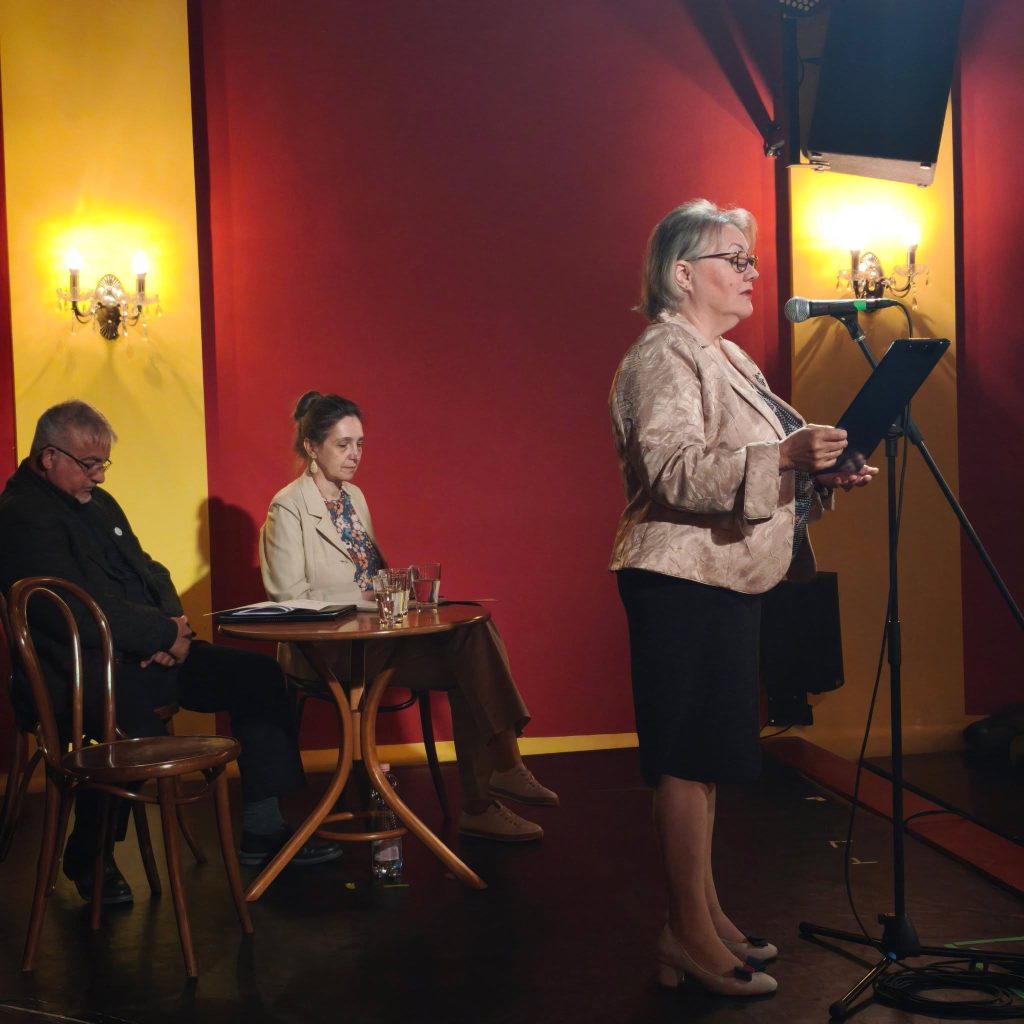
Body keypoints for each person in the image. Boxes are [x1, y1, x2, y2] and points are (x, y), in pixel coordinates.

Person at [609, 200, 876, 997]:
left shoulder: (725, 356)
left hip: (721, 575)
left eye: (750, 258)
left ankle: (704, 915)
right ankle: (684, 934)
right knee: (686, 759)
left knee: (709, 758)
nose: (752, 272)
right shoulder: (664, 353)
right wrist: (785, 456)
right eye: (735, 259)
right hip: (680, 578)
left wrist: (815, 470)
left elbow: (758, 465)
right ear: (682, 273)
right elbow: (676, 473)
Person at [0, 401, 342, 905]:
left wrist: (174, 628)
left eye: (103, 464)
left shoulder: (97, 501)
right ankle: (90, 857)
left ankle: (264, 829)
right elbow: (70, 612)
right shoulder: (21, 515)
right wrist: (159, 636)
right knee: (133, 731)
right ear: (49, 457)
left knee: (257, 675)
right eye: (89, 464)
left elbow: (151, 570)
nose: (99, 475)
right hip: (74, 671)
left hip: (141, 652)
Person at [259, 391, 558, 841]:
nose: (355, 454)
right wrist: (370, 594)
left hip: (377, 639)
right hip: (326, 650)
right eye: (343, 444)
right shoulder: (287, 507)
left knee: (473, 633)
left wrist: (405, 589)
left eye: (360, 444)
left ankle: (491, 791)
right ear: (311, 447)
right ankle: (501, 771)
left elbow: (371, 572)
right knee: (470, 661)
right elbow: (290, 600)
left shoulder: (355, 498)